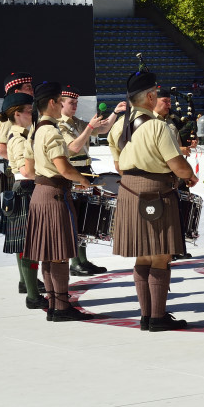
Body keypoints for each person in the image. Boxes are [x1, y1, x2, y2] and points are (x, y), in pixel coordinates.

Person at [109, 70, 200, 331]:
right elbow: (177, 164)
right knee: (160, 257)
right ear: (150, 97)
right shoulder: (157, 126)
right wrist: (190, 176)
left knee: (142, 257)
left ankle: (146, 316)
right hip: (156, 191)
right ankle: (158, 317)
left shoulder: (119, 127)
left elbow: (117, 164)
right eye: (156, 93)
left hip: (128, 189)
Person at [24, 81, 96, 322]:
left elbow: (29, 169)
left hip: (39, 193)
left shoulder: (34, 130)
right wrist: (83, 181)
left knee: (47, 253)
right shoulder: (52, 131)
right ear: (53, 103)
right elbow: (64, 168)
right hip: (55, 195)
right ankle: (62, 307)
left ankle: (55, 305)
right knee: (60, 254)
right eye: (59, 101)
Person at [58, 84, 121, 276]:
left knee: (85, 217)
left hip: (86, 169)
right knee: (75, 217)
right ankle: (75, 261)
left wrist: (115, 113)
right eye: (71, 103)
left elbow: (103, 130)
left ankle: (83, 260)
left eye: (76, 102)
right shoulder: (60, 125)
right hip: (73, 171)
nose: (75, 106)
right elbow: (74, 148)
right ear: (61, 104)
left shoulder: (76, 122)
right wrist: (90, 128)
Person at [0, 91, 46, 310]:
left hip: (27, 189)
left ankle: (28, 286)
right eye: (29, 111)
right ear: (17, 114)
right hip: (25, 189)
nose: (33, 114)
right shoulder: (18, 138)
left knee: (27, 244)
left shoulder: (26, 133)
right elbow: (26, 171)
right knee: (29, 245)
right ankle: (33, 295)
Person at [0, 72, 33, 159]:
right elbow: (1, 150)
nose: (32, 91)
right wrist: (21, 164)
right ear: (17, 92)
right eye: (28, 88)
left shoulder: (26, 112)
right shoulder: (10, 116)